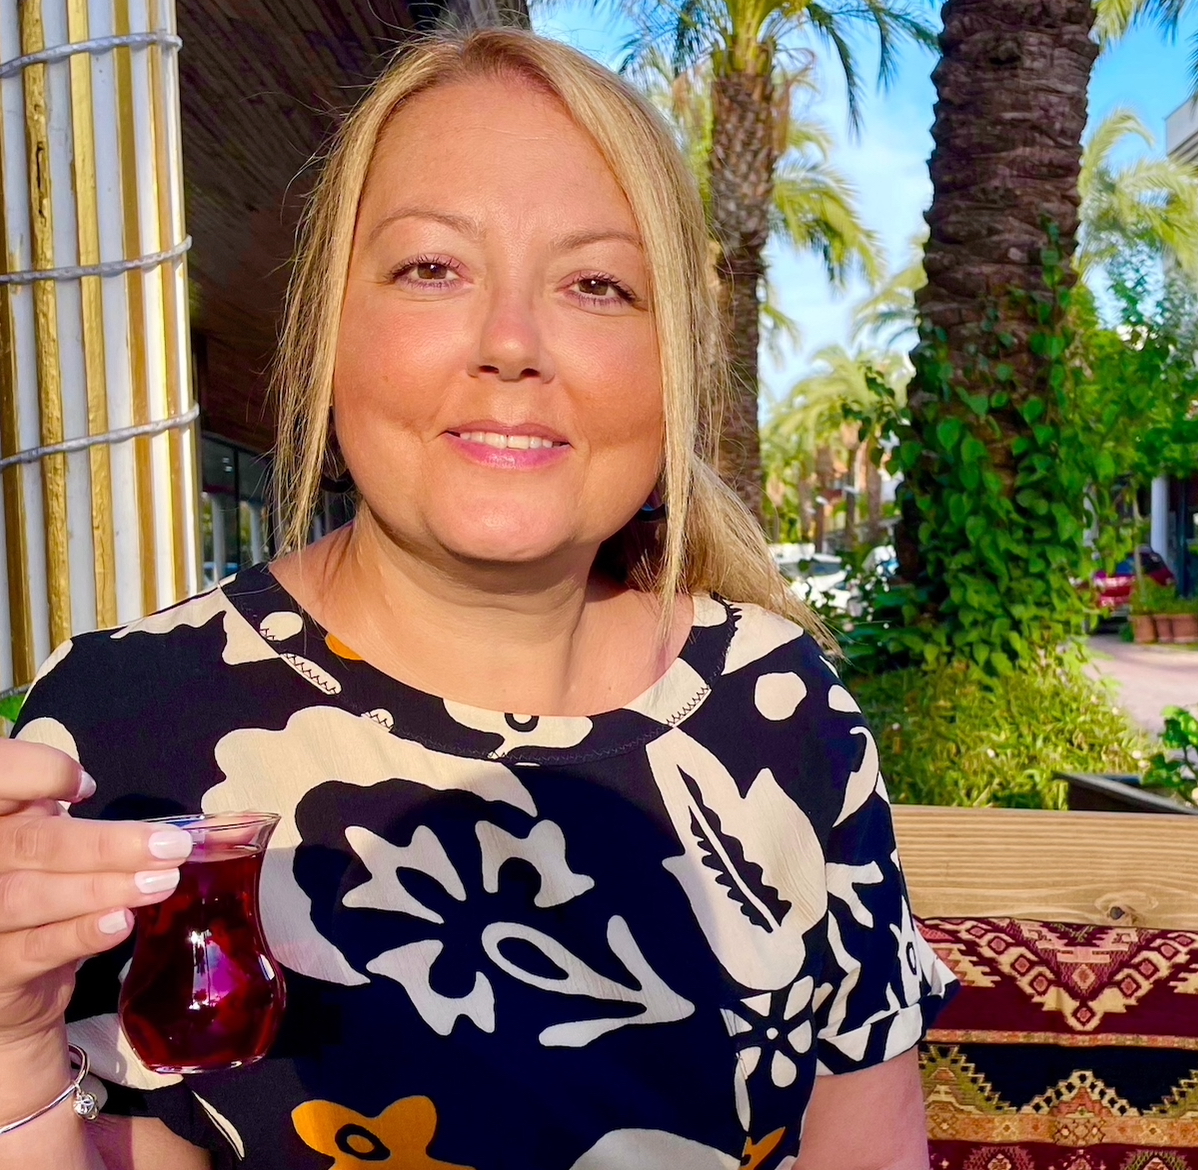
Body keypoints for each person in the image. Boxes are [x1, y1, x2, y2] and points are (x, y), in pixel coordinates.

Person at [0, 29, 951, 1170]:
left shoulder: (783, 712)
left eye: (597, 284)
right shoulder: (123, 731)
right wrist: (11, 1048)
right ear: (328, 331)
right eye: (432, 269)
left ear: (672, 370)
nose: (511, 343)